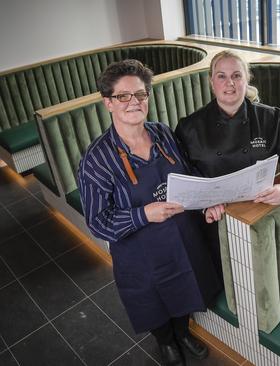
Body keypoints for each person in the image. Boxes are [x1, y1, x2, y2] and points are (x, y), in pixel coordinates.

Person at [77, 60, 220, 366]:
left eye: (141, 95)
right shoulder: (97, 160)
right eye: (124, 96)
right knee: (152, 301)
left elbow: (189, 172)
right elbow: (97, 222)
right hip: (140, 254)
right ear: (108, 103)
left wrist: (208, 198)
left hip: (183, 238)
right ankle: (166, 342)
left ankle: (182, 333)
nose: (134, 102)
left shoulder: (163, 133)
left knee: (185, 288)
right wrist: (143, 215)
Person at [175, 50, 280, 222]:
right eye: (221, 76)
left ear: (246, 80)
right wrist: (204, 206)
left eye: (237, 75)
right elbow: (181, 175)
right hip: (216, 216)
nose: (229, 83)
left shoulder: (271, 118)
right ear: (212, 82)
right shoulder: (189, 127)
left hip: (262, 210)